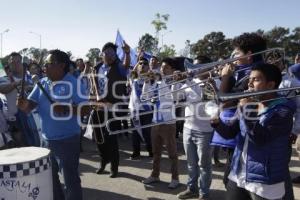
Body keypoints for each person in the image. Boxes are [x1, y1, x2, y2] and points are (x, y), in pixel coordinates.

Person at [211, 63, 295, 200]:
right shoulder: (249, 104)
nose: (249, 83)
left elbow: (260, 139)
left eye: (255, 79)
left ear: (270, 85)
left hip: (264, 182)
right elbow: (230, 132)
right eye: (249, 79)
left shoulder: (283, 110)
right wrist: (217, 123)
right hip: (238, 175)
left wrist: (246, 110)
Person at [17, 49, 86, 200]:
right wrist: (24, 105)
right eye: (45, 64)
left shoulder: (74, 83)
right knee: (50, 180)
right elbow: (30, 106)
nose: (44, 67)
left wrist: (66, 108)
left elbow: (86, 108)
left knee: (70, 181)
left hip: (67, 140)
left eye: (48, 64)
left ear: (61, 65)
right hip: (46, 140)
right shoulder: (43, 82)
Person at [211, 32, 267, 188]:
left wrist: (226, 77)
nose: (233, 56)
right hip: (239, 131)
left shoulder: (253, 77)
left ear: (249, 54)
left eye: (236, 52)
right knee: (231, 180)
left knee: (231, 182)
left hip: (245, 135)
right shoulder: (246, 73)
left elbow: (223, 100)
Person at [176, 55, 214, 200]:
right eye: (193, 67)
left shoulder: (213, 82)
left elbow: (207, 102)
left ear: (208, 67)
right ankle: (192, 189)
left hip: (205, 131)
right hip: (188, 128)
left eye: (198, 67)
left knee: (204, 165)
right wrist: (176, 82)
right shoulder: (189, 82)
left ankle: (204, 193)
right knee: (191, 164)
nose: (194, 70)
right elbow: (176, 97)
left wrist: (189, 81)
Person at [141, 57, 180, 189]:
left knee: (172, 153)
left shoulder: (175, 82)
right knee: (155, 151)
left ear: (172, 70)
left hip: (168, 122)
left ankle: (175, 178)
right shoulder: (157, 82)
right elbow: (145, 97)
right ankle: (155, 175)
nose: (162, 69)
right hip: (155, 121)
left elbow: (175, 98)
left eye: (166, 67)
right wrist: (146, 82)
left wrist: (174, 81)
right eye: (162, 67)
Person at [93, 42, 130, 178]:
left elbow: (126, 66)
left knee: (111, 138)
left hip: (113, 107)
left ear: (115, 55)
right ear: (102, 54)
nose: (109, 56)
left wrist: (126, 53)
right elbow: (94, 81)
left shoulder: (119, 66)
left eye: (112, 53)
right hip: (99, 106)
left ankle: (114, 167)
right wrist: (97, 95)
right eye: (106, 53)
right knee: (99, 137)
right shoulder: (97, 67)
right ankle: (103, 161)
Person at [128, 57, 153, 159]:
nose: (142, 65)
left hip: (147, 110)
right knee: (135, 132)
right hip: (135, 109)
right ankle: (136, 152)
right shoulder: (134, 78)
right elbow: (132, 72)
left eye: (145, 64)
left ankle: (151, 151)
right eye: (140, 64)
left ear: (148, 67)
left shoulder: (152, 79)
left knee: (147, 132)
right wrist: (137, 62)